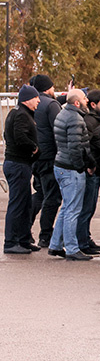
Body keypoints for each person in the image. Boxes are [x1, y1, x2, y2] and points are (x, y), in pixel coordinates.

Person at [48, 89, 96, 261]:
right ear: (77, 103)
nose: (87, 100)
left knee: (67, 207)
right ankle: (71, 248)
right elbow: (77, 147)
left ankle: (55, 244)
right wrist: (82, 166)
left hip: (60, 165)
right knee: (73, 210)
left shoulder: (62, 114)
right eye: (84, 98)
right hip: (70, 168)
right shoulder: (76, 119)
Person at [3, 85, 41, 254]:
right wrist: (34, 148)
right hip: (18, 164)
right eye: (36, 97)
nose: (39, 100)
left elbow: (7, 135)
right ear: (27, 99)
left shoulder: (17, 113)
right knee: (17, 204)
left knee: (25, 203)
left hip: (20, 164)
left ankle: (24, 240)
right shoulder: (21, 115)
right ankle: (11, 242)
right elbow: (20, 136)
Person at [31, 74, 62, 248]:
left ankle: (25, 228)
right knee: (51, 197)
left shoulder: (35, 103)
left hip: (36, 157)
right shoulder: (51, 104)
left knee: (40, 194)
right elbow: (57, 130)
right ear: (48, 88)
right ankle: (46, 235)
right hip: (49, 157)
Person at [78, 89, 100, 256]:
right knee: (86, 207)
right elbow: (85, 146)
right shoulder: (89, 122)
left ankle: (85, 238)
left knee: (90, 207)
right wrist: (91, 164)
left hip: (96, 169)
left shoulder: (96, 121)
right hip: (91, 170)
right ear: (93, 104)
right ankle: (82, 241)